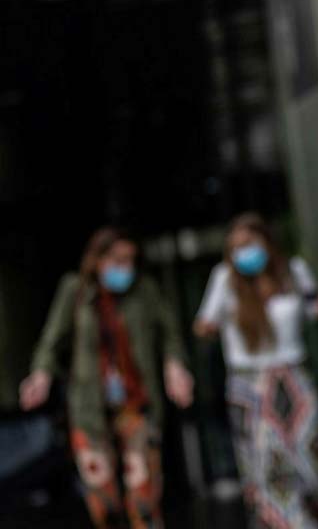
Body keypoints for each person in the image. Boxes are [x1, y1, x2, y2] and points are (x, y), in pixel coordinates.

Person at [20, 227, 194, 529]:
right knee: (104, 502)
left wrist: (175, 366)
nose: (124, 268)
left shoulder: (145, 291)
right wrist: (41, 373)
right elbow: (52, 339)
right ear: (97, 259)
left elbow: (170, 335)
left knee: (144, 498)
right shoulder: (75, 290)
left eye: (130, 260)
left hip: (137, 404)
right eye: (117, 259)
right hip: (89, 408)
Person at [193, 213, 318, 529]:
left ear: (267, 242)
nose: (244, 253)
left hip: (295, 379)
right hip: (251, 386)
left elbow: (313, 312)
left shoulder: (293, 272)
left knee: (310, 462)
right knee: (267, 467)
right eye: (236, 248)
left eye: (249, 244)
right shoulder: (225, 279)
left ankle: (313, 518)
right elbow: (204, 323)